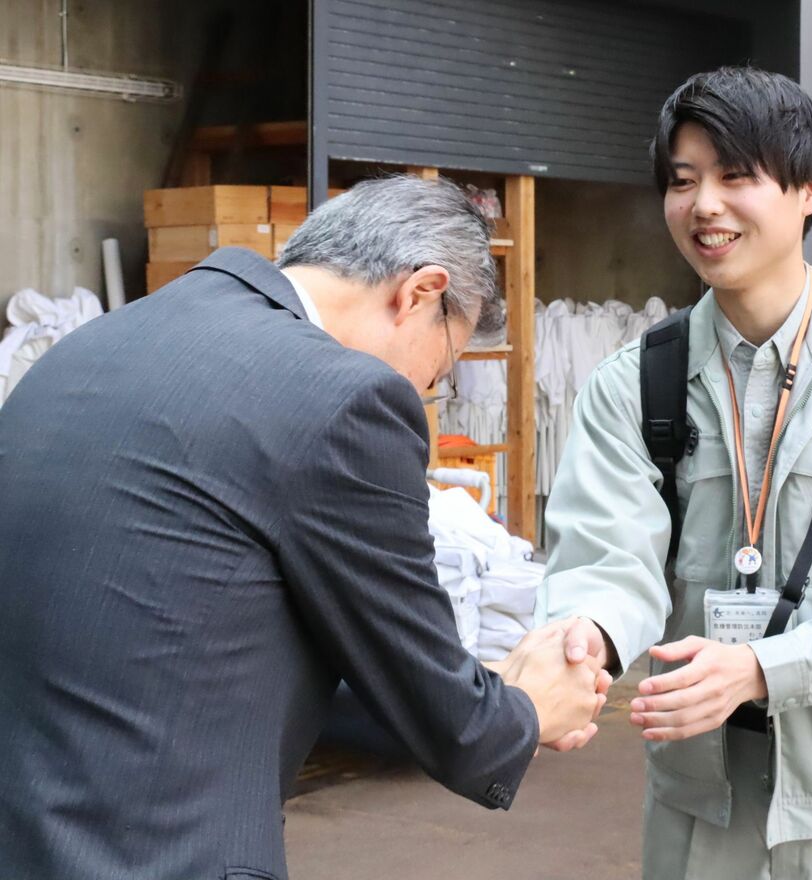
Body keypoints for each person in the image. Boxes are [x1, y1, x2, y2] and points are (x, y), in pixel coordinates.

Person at [0, 175, 608, 880]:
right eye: (438, 374)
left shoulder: (97, 344)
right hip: (167, 851)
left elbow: (193, 635)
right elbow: (453, 723)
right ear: (420, 293)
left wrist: (468, 681)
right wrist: (528, 707)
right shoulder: (345, 397)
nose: (423, 397)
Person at [537, 67, 812, 879]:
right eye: (683, 181)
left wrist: (760, 669)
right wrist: (585, 642)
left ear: (809, 189)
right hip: (700, 805)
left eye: (735, 175)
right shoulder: (634, 383)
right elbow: (606, 558)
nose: (703, 205)